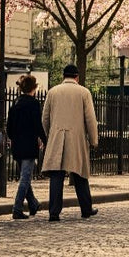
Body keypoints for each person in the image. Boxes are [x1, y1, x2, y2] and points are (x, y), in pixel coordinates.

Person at [41, 64, 99, 221]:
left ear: (63, 76)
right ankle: (86, 209)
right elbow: (90, 119)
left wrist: (50, 135)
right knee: (80, 174)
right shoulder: (83, 92)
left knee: (56, 175)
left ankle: (54, 212)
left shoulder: (53, 92)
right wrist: (94, 140)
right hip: (76, 138)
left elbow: (45, 118)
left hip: (57, 136)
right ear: (77, 77)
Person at [7, 74, 46, 219]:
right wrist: (44, 140)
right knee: (25, 178)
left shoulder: (15, 103)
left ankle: (33, 203)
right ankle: (17, 208)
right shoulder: (34, 104)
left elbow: (9, 127)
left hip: (17, 145)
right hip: (29, 145)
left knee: (25, 176)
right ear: (34, 88)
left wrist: (13, 138)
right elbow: (38, 125)